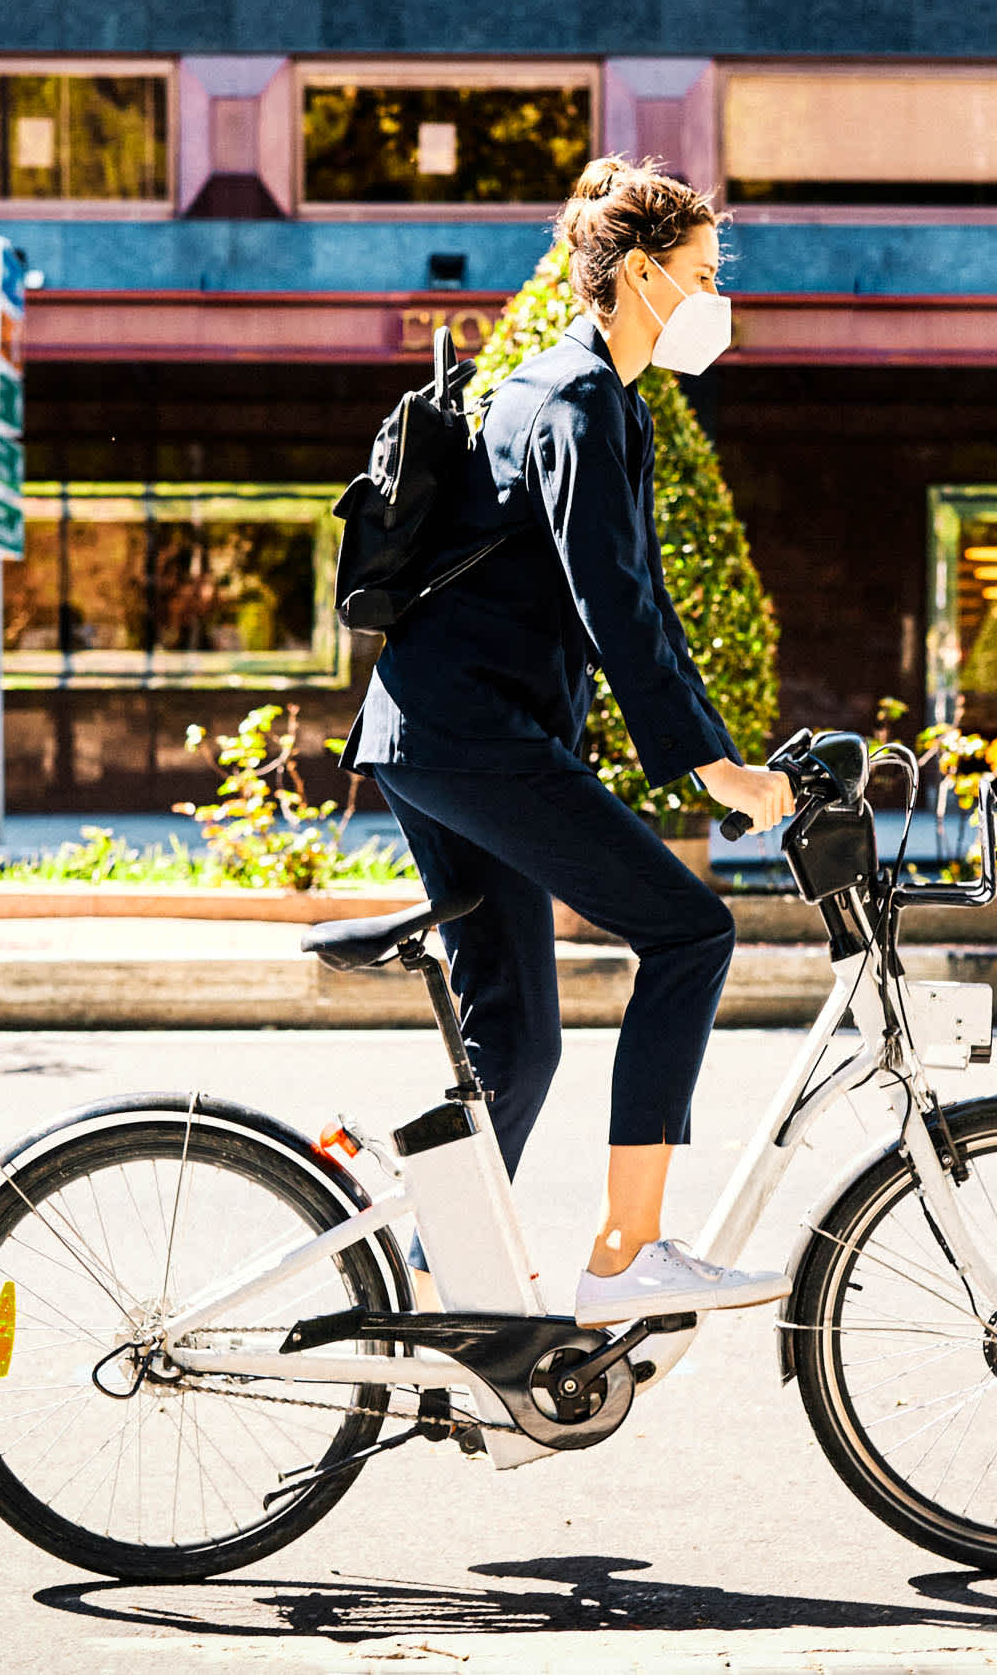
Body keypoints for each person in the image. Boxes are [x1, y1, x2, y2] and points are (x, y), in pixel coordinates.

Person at [344, 154, 797, 1326]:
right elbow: (621, 606)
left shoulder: (582, 395)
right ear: (640, 276)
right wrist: (717, 773)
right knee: (690, 932)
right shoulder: (578, 399)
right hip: (470, 738)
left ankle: (437, 1289)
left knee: (521, 1036)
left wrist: (712, 751)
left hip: (432, 735)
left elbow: (627, 602)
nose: (714, 298)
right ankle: (625, 1248)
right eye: (700, 274)